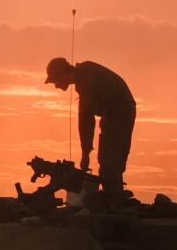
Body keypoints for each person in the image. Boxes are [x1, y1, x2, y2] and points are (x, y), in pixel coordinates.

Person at [45, 57, 136, 196]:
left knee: (109, 159)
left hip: (119, 114)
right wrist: (85, 153)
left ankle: (112, 198)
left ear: (61, 74)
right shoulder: (83, 79)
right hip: (113, 115)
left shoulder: (86, 74)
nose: (56, 85)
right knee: (109, 159)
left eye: (54, 81)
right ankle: (113, 196)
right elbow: (85, 120)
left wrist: (85, 154)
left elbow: (86, 119)